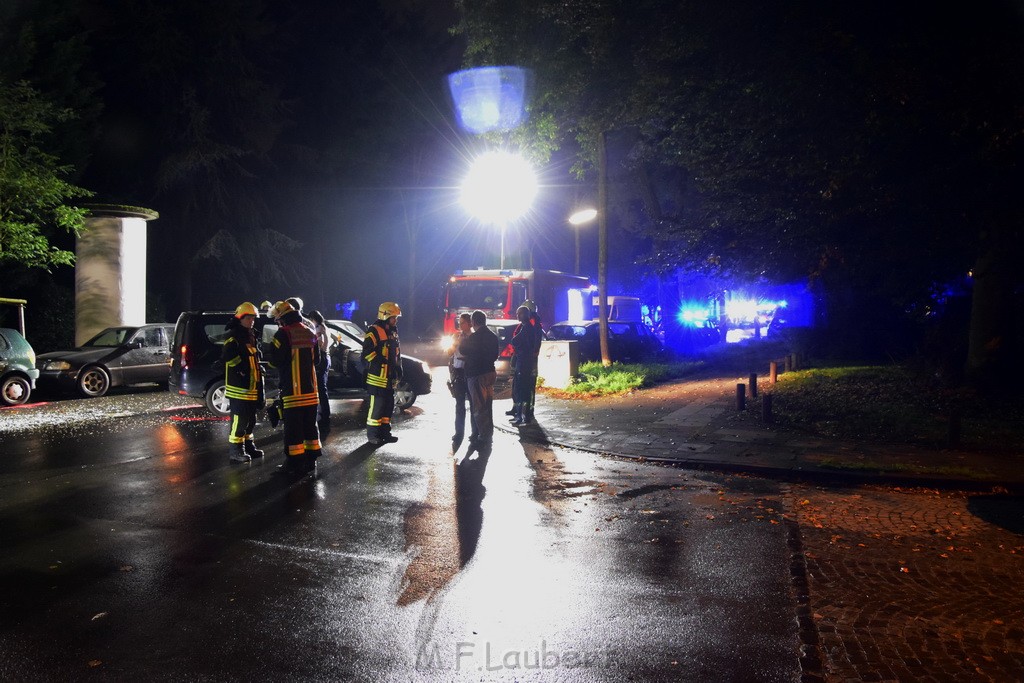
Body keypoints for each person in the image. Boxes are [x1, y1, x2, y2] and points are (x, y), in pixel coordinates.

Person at [267, 300, 321, 476]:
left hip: (292, 391)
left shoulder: (283, 334)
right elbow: (317, 361)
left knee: (293, 428)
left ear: (282, 318)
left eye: (277, 320)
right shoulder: (310, 331)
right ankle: (311, 459)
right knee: (310, 425)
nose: (277, 323)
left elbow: (275, 361)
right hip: (311, 391)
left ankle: (295, 462)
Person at [220, 302, 265, 463]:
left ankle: (248, 446)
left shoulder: (251, 335)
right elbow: (229, 356)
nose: (252, 321)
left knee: (251, 419)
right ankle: (236, 450)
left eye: (253, 318)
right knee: (239, 420)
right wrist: (241, 370)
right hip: (239, 388)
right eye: (249, 318)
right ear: (241, 318)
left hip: (252, 386)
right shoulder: (233, 336)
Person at [362, 302, 403, 446]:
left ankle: (385, 433)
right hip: (377, 378)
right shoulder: (374, 331)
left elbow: (397, 353)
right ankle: (373, 436)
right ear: (385, 316)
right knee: (377, 407)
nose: (395, 320)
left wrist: (399, 368)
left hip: (389, 377)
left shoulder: (392, 332)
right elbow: (366, 352)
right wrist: (380, 360)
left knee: (388, 406)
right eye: (393, 318)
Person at [459, 309, 499, 450]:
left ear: (474, 322)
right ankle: (489, 432)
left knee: (479, 407)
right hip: (490, 372)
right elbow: (495, 355)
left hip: (476, 375)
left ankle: (483, 436)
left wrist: (463, 340)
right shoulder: (493, 336)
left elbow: (463, 350)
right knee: (488, 404)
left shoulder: (475, 337)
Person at [508, 303, 543, 426]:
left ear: (525, 314)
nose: (517, 316)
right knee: (520, 389)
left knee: (523, 389)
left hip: (524, 362)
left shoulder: (528, 328)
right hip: (523, 361)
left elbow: (515, 340)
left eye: (519, 314)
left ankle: (524, 415)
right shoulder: (527, 327)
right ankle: (520, 414)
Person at [446, 312, 474, 451]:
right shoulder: (455, 336)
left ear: (470, 323)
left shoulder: (473, 337)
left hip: (469, 372)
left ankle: (475, 433)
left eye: (463, 322)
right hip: (457, 372)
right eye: (459, 322)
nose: (460, 325)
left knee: (474, 404)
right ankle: (459, 433)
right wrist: (454, 344)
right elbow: (448, 353)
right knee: (459, 405)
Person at [307, 309, 332, 431]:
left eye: (311, 319)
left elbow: (320, 343)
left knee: (321, 388)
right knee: (322, 387)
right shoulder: (323, 327)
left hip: (321, 358)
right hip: (325, 357)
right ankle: (324, 414)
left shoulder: (319, 328)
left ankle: (324, 415)